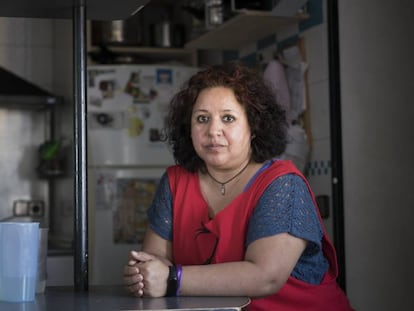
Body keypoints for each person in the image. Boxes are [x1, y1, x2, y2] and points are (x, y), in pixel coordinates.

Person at [123, 62, 354, 310]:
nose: (213, 131)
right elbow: (155, 260)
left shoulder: (283, 183)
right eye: (202, 119)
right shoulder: (174, 182)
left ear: (253, 127)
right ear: (188, 128)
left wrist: (171, 278)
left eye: (228, 118)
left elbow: (266, 277)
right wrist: (145, 274)